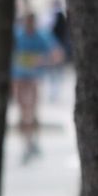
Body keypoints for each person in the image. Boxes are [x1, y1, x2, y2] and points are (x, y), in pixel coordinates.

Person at [13, 9, 59, 162]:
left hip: (33, 78)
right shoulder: (18, 35)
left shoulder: (42, 36)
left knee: (32, 110)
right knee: (23, 111)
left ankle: (34, 140)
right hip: (19, 78)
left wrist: (42, 61)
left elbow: (56, 54)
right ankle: (26, 142)